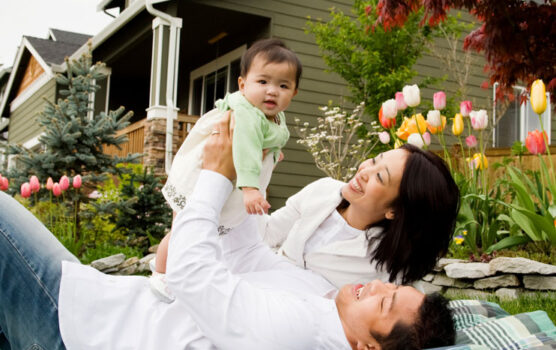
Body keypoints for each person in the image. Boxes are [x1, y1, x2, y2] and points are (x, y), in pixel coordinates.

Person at [0, 112, 456, 350]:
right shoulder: (323, 296)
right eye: (375, 162)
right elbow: (255, 252)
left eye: (384, 298)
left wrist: (217, 182)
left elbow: (199, 281)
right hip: (108, 305)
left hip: (79, 327)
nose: (375, 287)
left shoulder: (298, 330)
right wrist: (244, 173)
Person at [151, 38, 300, 299]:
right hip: (200, 180)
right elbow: (243, 149)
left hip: (223, 181)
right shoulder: (246, 115)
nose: (272, 91)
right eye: (263, 82)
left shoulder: (271, 116)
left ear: (294, 92)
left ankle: (184, 274)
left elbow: (266, 141)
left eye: (283, 85)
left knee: (203, 235)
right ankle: (162, 274)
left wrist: (272, 155)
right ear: (243, 85)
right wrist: (251, 189)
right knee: (181, 231)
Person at [260, 142, 460, 288]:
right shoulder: (323, 190)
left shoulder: (388, 267)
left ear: (395, 210)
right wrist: (256, 176)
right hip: (261, 287)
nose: (365, 171)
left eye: (380, 177)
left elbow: (410, 316)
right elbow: (266, 234)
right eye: (374, 160)